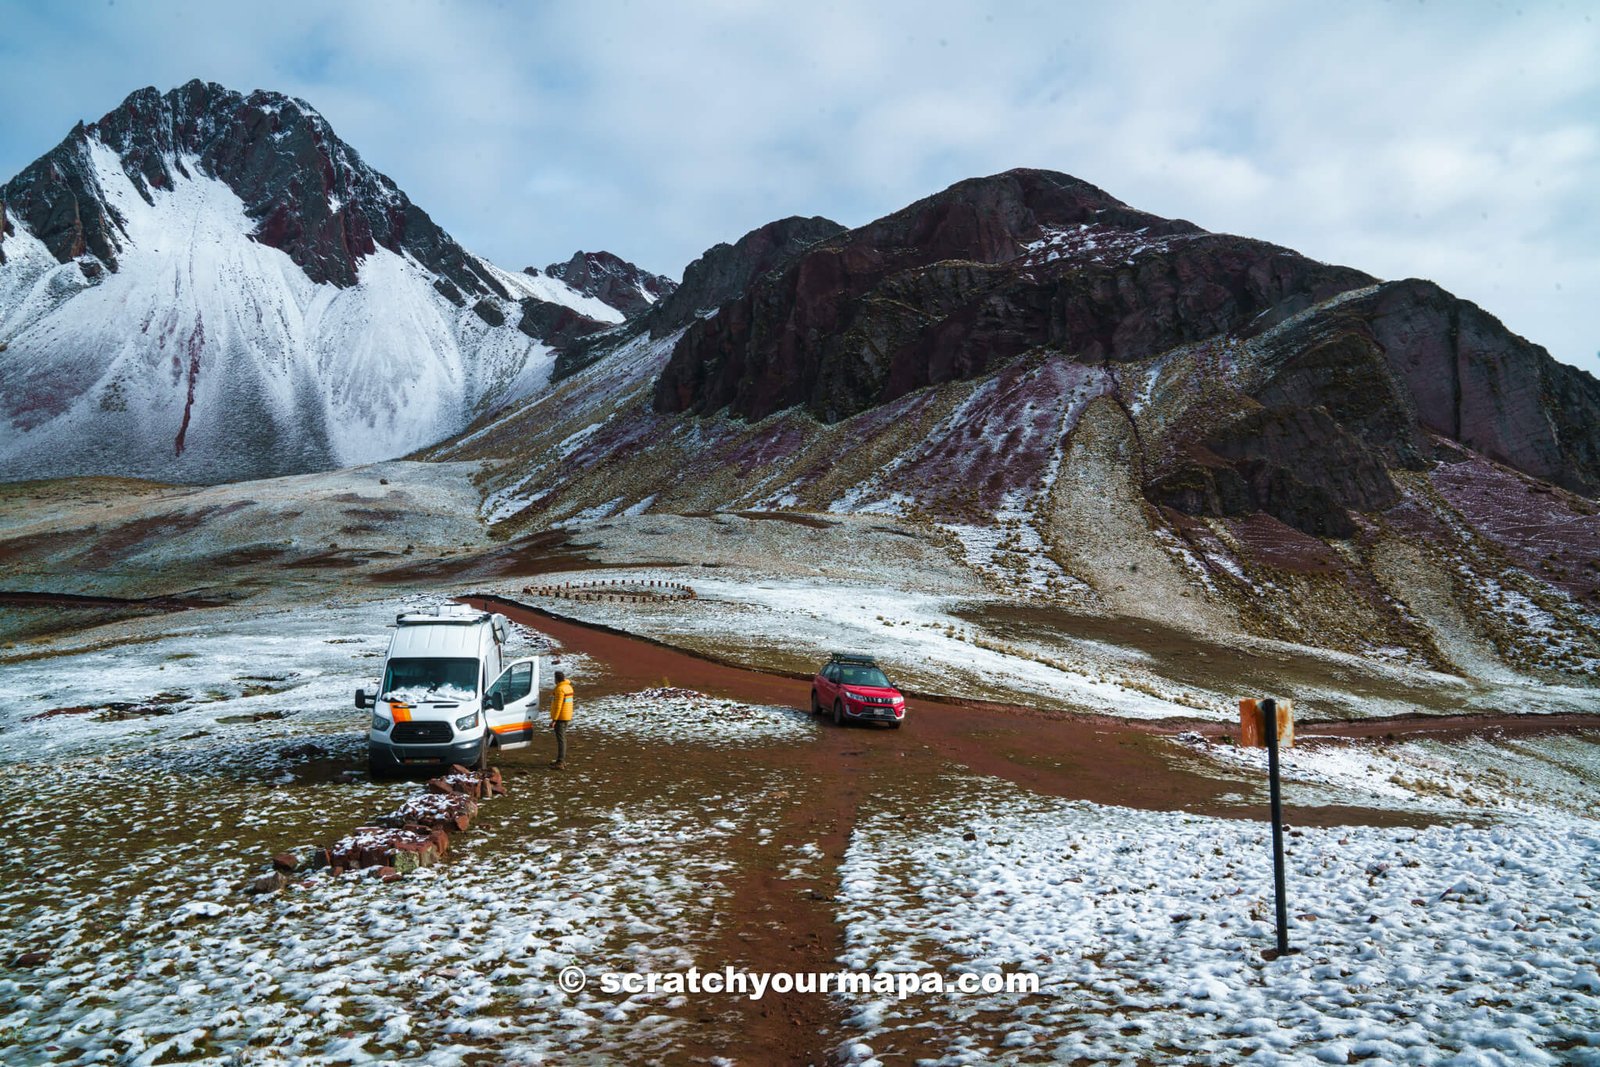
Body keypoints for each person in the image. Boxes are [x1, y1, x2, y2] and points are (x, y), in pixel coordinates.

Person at [548, 670, 575, 768]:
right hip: (567, 715)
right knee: (562, 739)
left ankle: (560, 762)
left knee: (561, 740)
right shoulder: (569, 687)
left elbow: (558, 706)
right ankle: (561, 760)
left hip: (561, 717)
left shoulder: (560, 689)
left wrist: (554, 720)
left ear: (556, 679)